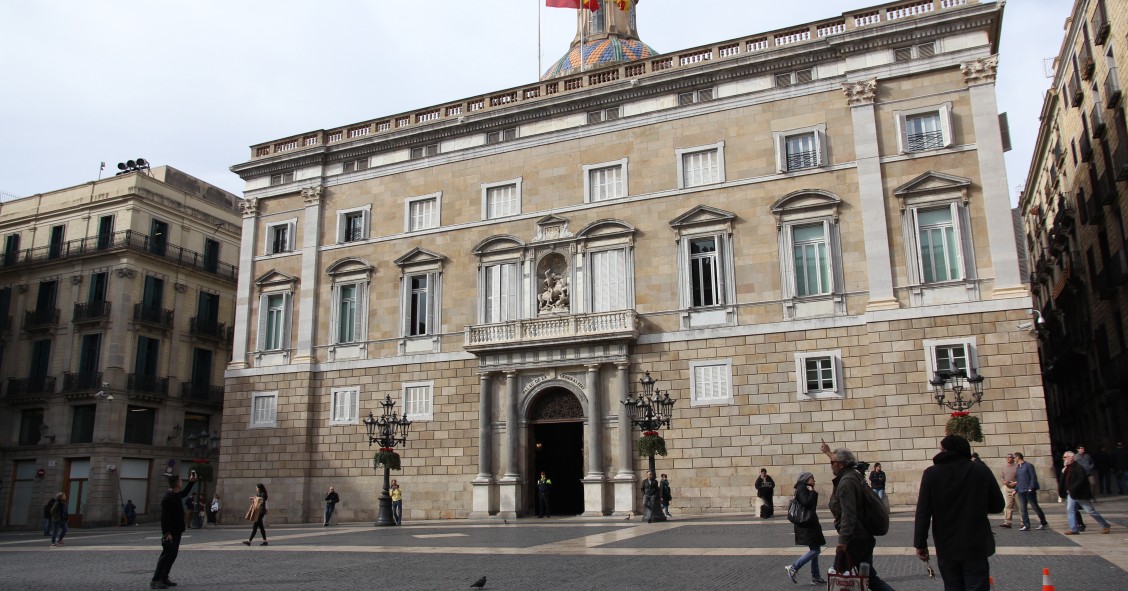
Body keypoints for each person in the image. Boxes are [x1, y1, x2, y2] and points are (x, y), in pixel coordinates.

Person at [913, 434, 1005, 591]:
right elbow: (998, 506)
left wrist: (920, 544)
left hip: (946, 544)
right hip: (976, 543)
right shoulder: (980, 470)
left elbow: (923, 512)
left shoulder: (931, 473)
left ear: (945, 451)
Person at [820, 441, 895, 591]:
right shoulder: (853, 474)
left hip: (854, 539)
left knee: (838, 580)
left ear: (840, 464)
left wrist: (843, 541)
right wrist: (828, 453)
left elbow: (849, 514)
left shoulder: (847, 482)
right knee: (870, 579)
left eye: (832, 462)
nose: (831, 465)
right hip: (863, 537)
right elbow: (841, 460)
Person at [150, 472, 197, 589]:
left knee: (172, 555)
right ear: (176, 483)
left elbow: (185, 493)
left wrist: (191, 482)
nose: (182, 481)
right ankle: (156, 579)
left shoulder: (175, 494)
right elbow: (164, 518)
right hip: (171, 532)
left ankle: (164, 577)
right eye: (180, 480)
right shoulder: (168, 497)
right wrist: (166, 533)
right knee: (166, 555)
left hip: (177, 530)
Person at [784, 472, 828, 586]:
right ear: (807, 479)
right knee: (815, 550)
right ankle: (794, 567)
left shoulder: (804, 488)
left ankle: (816, 576)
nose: (814, 480)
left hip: (809, 523)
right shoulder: (802, 488)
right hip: (807, 525)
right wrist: (812, 492)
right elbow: (806, 503)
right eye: (812, 478)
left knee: (815, 549)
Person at [1059, 451, 1112, 535]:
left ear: (1071, 458)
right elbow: (1064, 481)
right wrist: (1062, 491)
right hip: (1071, 494)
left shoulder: (1079, 467)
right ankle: (1073, 529)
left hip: (1080, 494)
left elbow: (1081, 479)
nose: (1063, 459)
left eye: (1065, 457)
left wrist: (1072, 488)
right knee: (1070, 510)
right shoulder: (1066, 468)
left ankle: (1105, 525)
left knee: (1090, 511)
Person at [1013, 452, 1048, 531]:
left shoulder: (1028, 465)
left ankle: (1043, 522)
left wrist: (1031, 487)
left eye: (1014, 457)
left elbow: (1033, 477)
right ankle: (1026, 524)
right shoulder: (1018, 467)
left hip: (1029, 490)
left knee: (1035, 507)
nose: (1013, 459)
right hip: (1021, 490)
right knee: (1023, 508)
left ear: (1018, 457)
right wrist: (1016, 490)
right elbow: (1018, 480)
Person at [998, 453, 1018, 528]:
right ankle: (1007, 522)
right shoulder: (1004, 467)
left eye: (1010, 457)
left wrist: (1015, 483)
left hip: (1016, 488)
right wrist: (1004, 482)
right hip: (1007, 488)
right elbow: (1002, 477)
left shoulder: (1017, 467)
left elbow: (1021, 477)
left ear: (1013, 458)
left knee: (1020, 506)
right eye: (1007, 457)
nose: (1008, 459)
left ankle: (1023, 522)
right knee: (1008, 505)